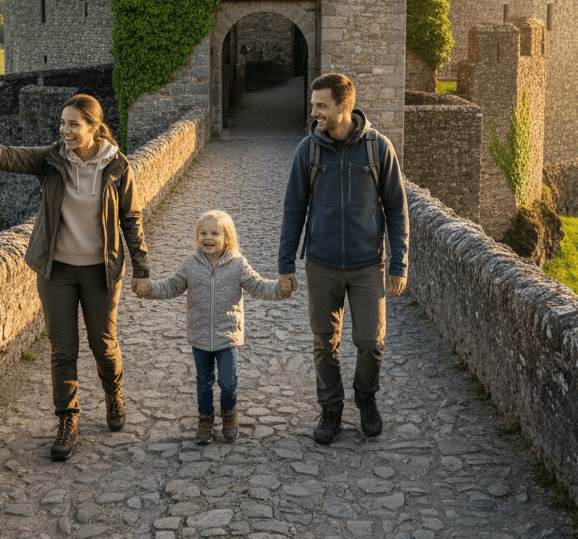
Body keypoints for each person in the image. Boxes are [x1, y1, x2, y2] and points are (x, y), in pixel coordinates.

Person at [0, 94, 149, 462]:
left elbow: (131, 219)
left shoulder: (118, 167)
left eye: (73, 124)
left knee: (103, 345)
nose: (64, 130)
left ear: (93, 127)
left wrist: (142, 270)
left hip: (101, 272)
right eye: (62, 123)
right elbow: (6, 156)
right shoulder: (52, 159)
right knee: (62, 350)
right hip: (57, 271)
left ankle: (113, 393)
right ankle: (67, 419)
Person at [278, 72, 409, 445]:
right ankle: (331, 408)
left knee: (371, 341)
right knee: (325, 342)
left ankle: (366, 399)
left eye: (321, 105)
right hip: (321, 264)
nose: (314, 112)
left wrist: (398, 264)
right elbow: (293, 210)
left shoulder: (378, 149)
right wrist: (285, 265)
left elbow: (397, 209)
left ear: (344, 106)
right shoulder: (308, 150)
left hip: (368, 265)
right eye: (313, 105)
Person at [132, 209, 295, 445]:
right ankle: (205, 419)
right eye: (203, 233)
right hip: (199, 336)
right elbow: (171, 286)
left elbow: (258, 286)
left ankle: (229, 414)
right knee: (203, 382)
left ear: (227, 238)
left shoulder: (238, 264)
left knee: (228, 382)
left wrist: (280, 289)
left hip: (227, 336)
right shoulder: (190, 264)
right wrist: (149, 289)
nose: (208, 238)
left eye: (215, 233)